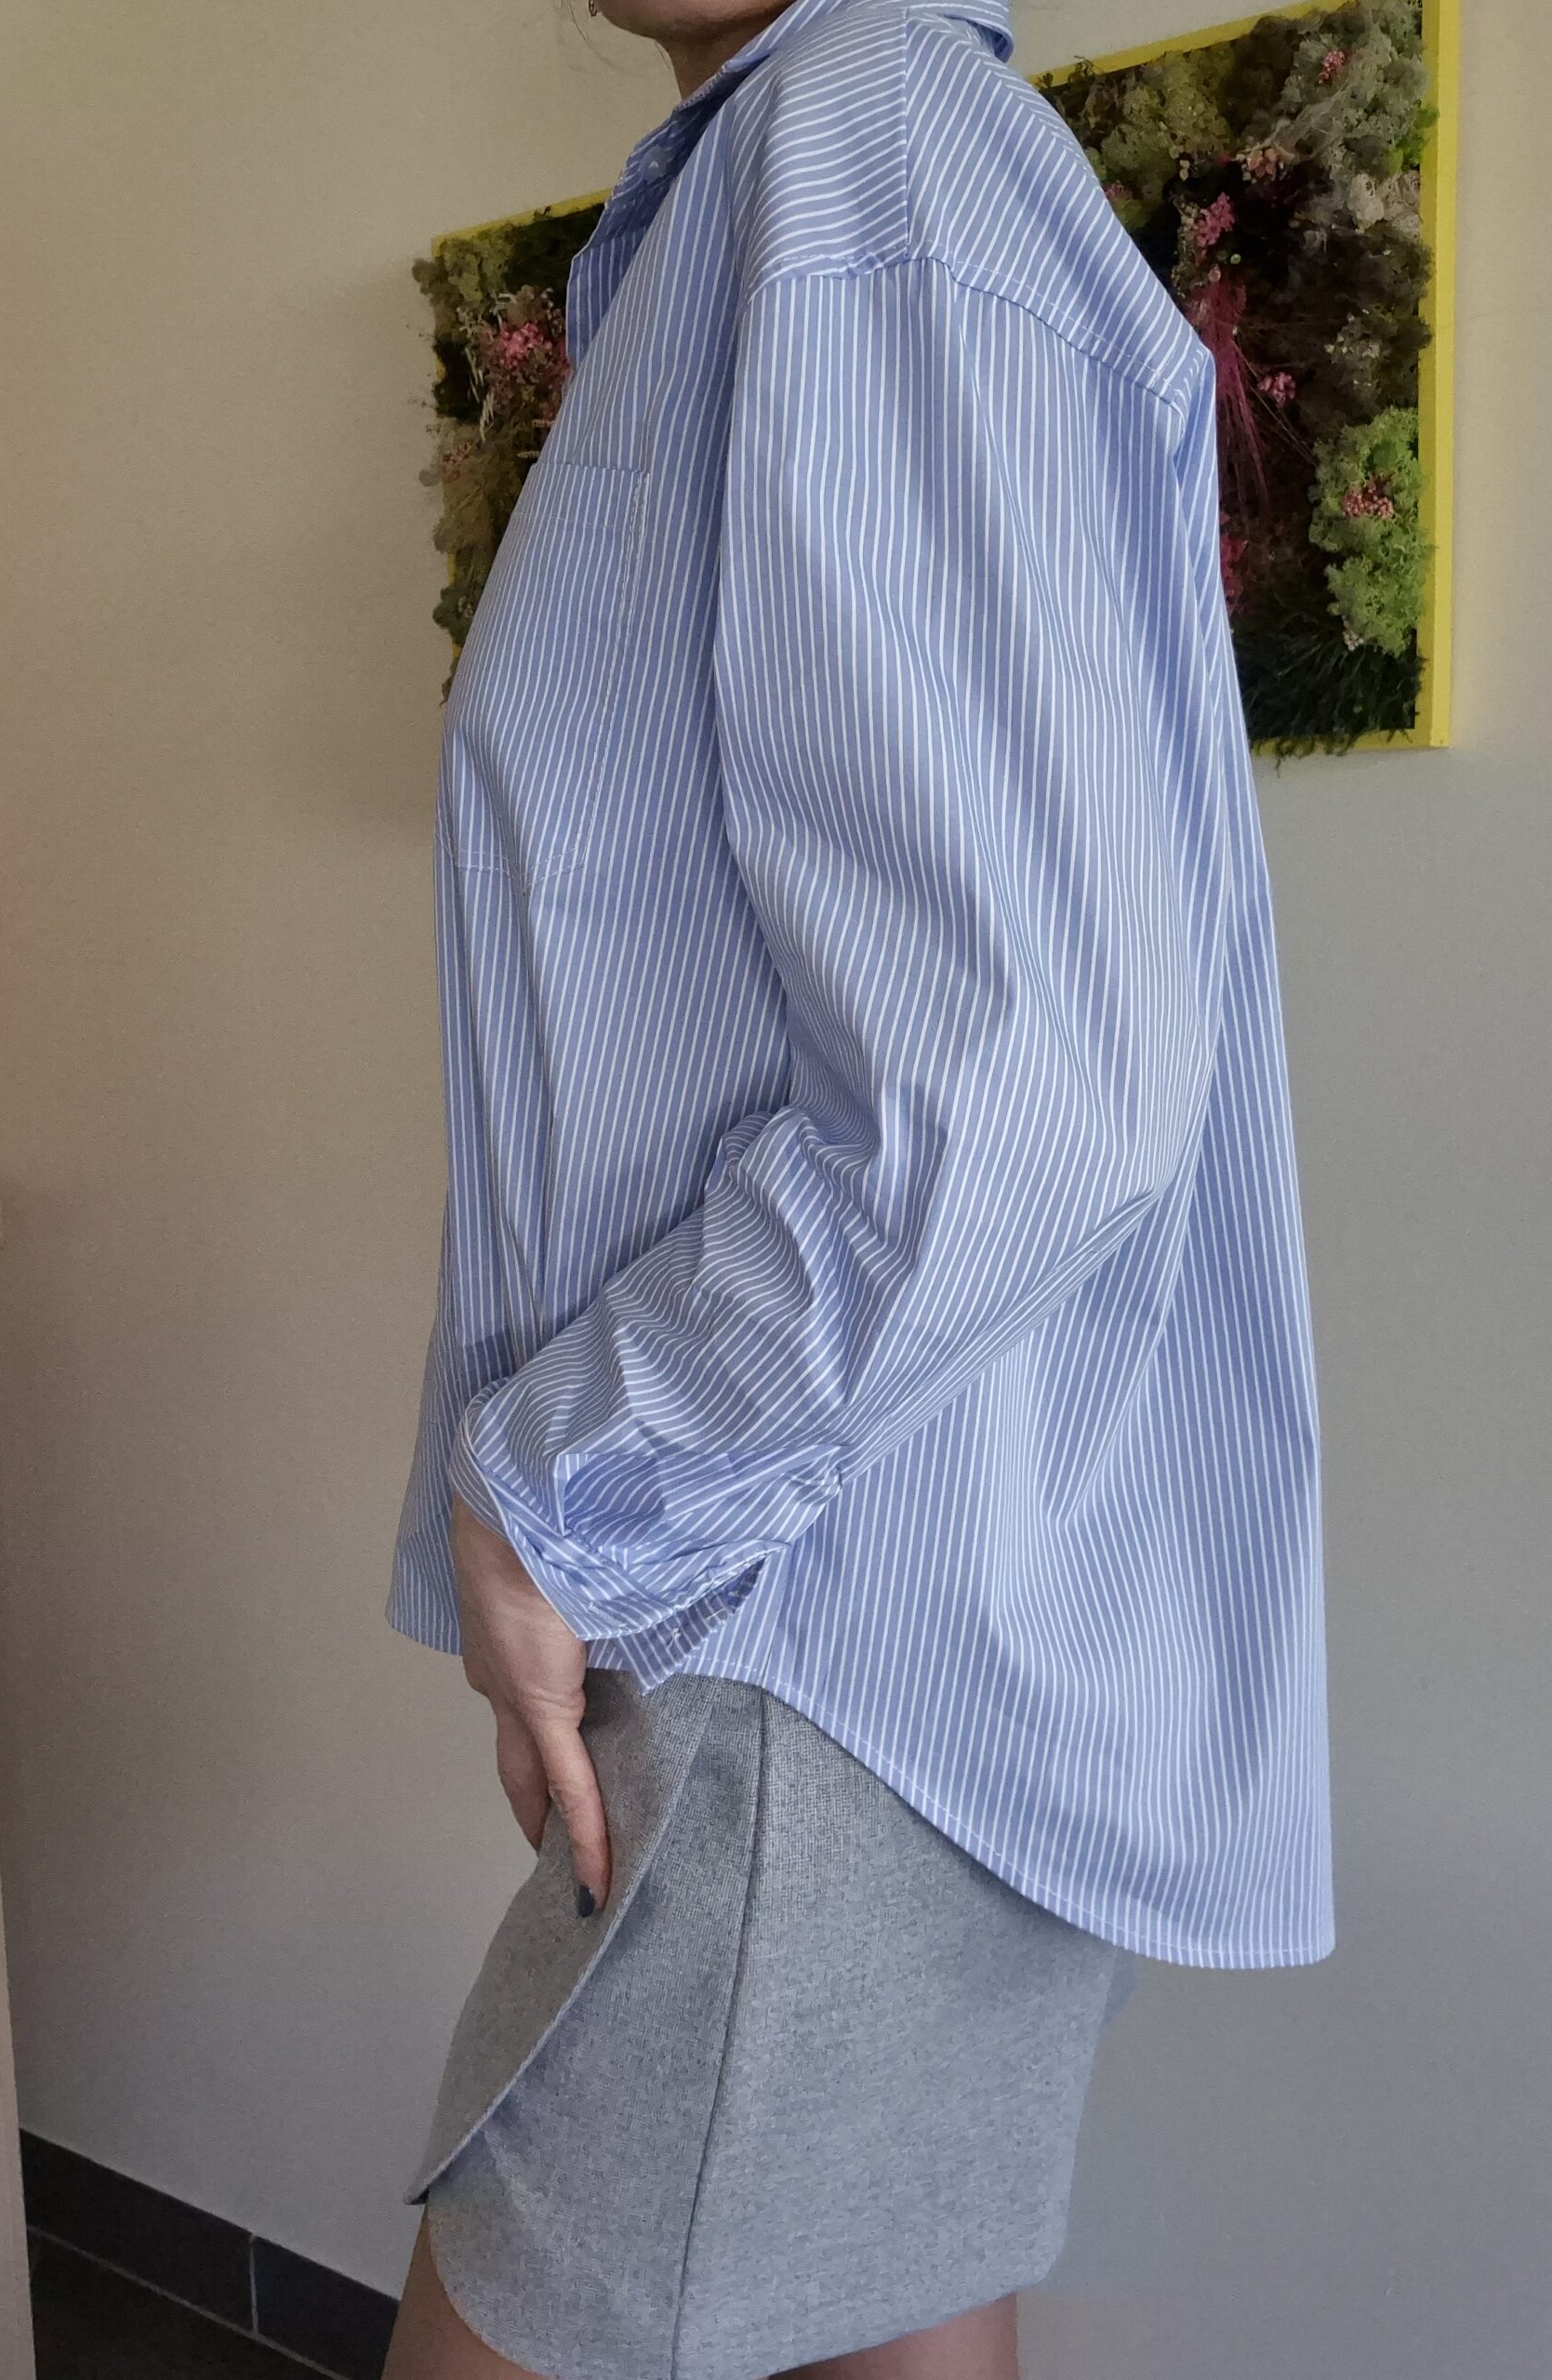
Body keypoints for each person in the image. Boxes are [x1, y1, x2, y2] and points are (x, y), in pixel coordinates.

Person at [383, 0, 1334, 2373]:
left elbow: (1033, 1071)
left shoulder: (868, 150)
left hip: (808, 1625)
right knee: (894, 2310)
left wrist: (560, 1489)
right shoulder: (786, 184)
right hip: (858, 1607)